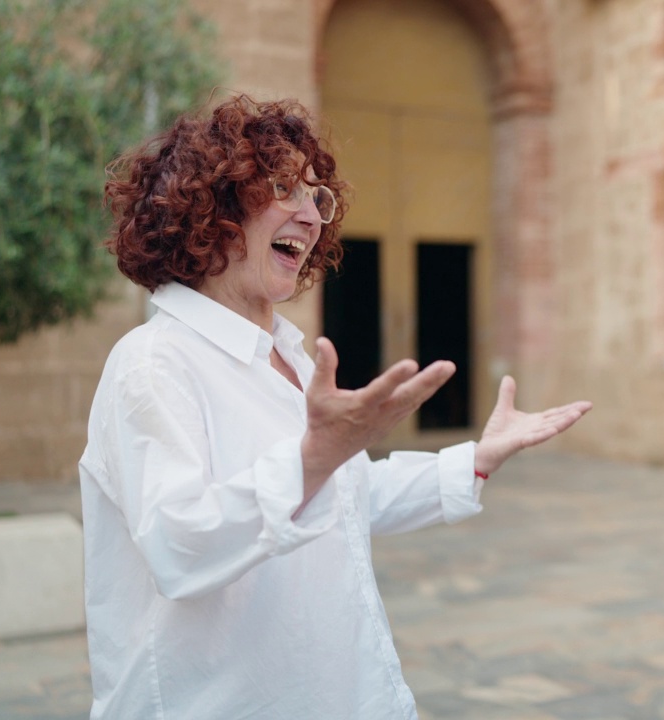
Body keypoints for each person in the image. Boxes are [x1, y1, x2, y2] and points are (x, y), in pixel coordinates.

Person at [80, 94, 591, 719]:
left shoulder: (288, 357)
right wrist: (314, 458)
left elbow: (342, 498)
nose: (312, 215)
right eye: (284, 189)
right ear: (211, 204)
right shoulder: (154, 363)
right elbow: (180, 546)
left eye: (318, 198)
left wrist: (475, 461)